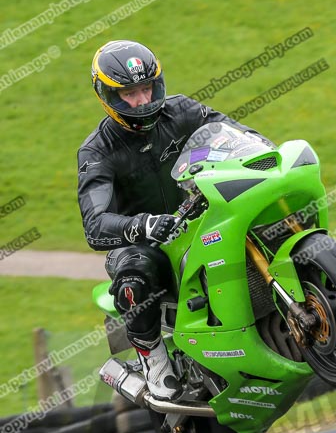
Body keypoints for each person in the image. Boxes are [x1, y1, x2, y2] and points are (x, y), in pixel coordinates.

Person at [78, 39, 273, 401]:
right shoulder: (97, 152)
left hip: (197, 218)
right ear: (108, 96)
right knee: (135, 274)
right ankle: (154, 361)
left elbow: (231, 131)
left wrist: (261, 147)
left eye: (146, 88)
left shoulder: (181, 109)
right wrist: (143, 225)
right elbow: (95, 223)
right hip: (142, 243)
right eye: (129, 95)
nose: (142, 101)